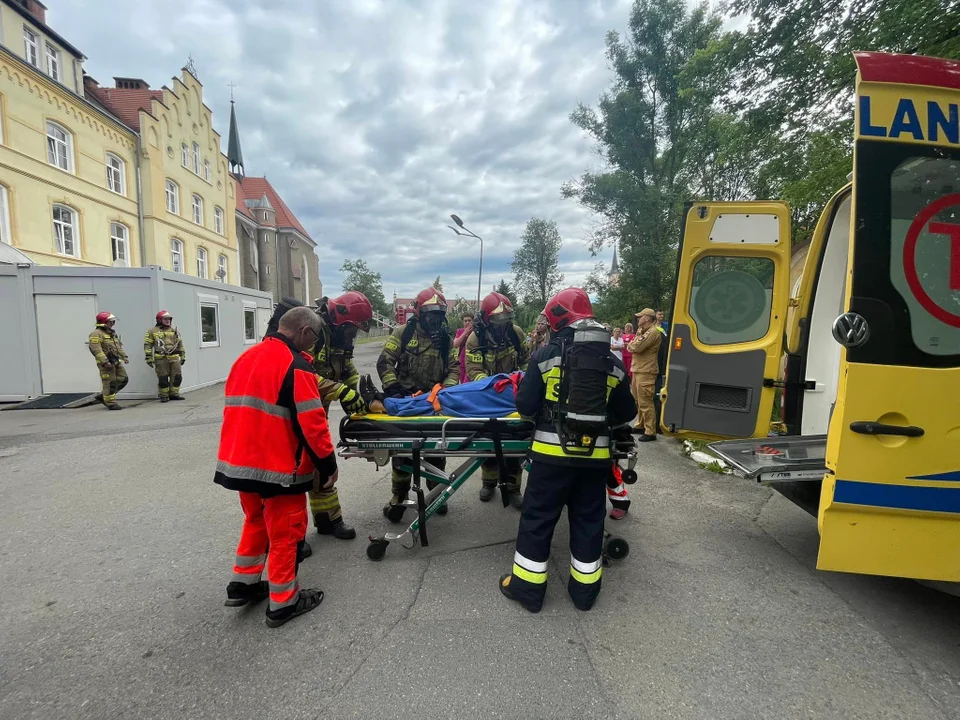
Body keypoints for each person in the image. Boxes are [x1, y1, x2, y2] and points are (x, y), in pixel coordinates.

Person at [499, 288, 636, 613]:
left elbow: (526, 407)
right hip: (594, 462)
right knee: (589, 521)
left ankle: (528, 591)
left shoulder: (546, 356)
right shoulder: (611, 362)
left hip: (550, 459)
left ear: (559, 318)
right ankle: (585, 594)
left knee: (538, 520)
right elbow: (627, 413)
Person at [215, 306, 336, 628]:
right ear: (305, 332)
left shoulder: (246, 358)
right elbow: (313, 424)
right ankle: (284, 601)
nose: (314, 344)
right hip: (279, 467)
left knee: (256, 520)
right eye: (315, 337)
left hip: (239, 462)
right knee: (285, 533)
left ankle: (244, 584)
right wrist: (328, 464)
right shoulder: (296, 366)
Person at [377, 287, 459, 522]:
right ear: (420, 313)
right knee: (402, 452)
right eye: (431, 314)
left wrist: (445, 391)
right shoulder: (404, 332)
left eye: (440, 315)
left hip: (434, 403)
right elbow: (385, 362)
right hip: (406, 401)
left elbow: (454, 370)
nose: (436, 319)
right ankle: (399, 498)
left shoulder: (446, 341)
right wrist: (394, 389)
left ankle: (436, 494)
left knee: (436, 450)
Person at [305, 291, 372, 541]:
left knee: (321, 462)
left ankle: (328, 520)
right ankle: (291, 538)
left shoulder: (339, 338)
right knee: (293, 472)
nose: (353, 335)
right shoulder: (312, 332)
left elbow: (346, 368)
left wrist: (359, 392)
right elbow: (302, 375)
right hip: (292, 412)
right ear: (339, 319)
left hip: (315, 409)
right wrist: (341, 391)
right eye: (351, 329)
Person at [464, 291, 530, 507]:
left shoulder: (516, 334)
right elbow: (473, 369)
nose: (502, 324)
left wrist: (522, 384)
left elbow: (526, 362)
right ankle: (489, 482)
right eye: (497, 320)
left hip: (513, 396)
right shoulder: (476, 339)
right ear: (486, 319)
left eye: (505, 320)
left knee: (515, 443)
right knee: (488, 442)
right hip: (488, 395)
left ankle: (514, 488)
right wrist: (492, 387)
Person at [626, 308, 662, 441]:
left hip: (647, 371)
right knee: (638, 400)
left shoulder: (653, 332)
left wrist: (632, 344)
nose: (638, 319)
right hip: (638, 369)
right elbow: (632, 346)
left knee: (645, 401)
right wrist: (633, 343)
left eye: (640, 317)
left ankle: (650, 431)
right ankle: (640, 424)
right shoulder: (642, 331)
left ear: (647, 318)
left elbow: (636, 347)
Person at [88, 311, 129, 410]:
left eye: (113, 322)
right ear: (103, 322)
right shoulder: (96, 334)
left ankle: (104, 396)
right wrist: (105, 361)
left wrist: (124, 356)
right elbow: (96, 349)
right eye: (111, 322)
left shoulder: (111, 333)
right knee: (110, 382)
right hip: (106, 364)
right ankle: (110, 402)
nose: (112, 324)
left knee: (123, 379)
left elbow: (117, 347)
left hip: (116, 361)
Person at [144, 310, 186, 402]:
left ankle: (174, 394)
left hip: (174, 358)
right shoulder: (152, 331)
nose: (168, 321)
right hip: (161, 358)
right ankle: (164, 396)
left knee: (177, 377)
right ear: (159, 320)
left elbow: (180, 344)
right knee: (163, 379)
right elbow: (148, 345)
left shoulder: (174, 331)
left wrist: (183, 356)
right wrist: (148, 358)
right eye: (165, 319)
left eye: (169, 319)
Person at [653, 311, 669, 435]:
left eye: (662, 314)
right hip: (655, 365)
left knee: (658, 396)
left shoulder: (665, 328)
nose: (661, 316)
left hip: (661, 365)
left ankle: (658, 424)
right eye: (659, 314)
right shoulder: (653, 329)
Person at [453, 312, 475, 384]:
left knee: (467, 383)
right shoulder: (460, 331)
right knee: (462, 384)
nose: (468, 322)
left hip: (472, 363)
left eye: (469, 320)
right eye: (465, 321)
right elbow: (455, 344)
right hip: (462, 364)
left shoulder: (476, 332)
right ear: (463, 322)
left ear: (472, 321)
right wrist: (465, 333)